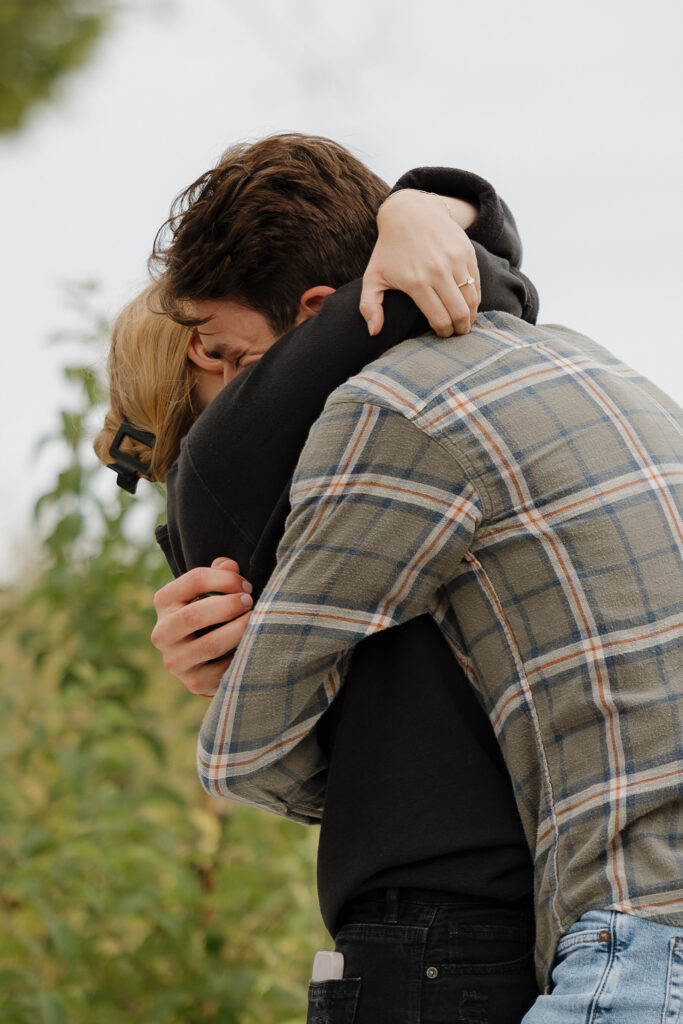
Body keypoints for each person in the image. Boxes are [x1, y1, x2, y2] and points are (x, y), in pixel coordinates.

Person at [150, 133, 683, 1022]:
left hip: (635, 948)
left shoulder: (391, 409)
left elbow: (245, 753)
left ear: (321, 315)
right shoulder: (591, 362)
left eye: (235, 360)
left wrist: (231, 667)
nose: (243, 397)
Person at [97, 138, 542, 1023]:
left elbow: (288, 777)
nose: (253, 398)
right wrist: (438, 210)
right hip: (484, 913)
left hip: (441, 921)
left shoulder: (360, 450)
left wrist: (424, 211)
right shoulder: (273, 479)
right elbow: (487, 290)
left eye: (237, 361)